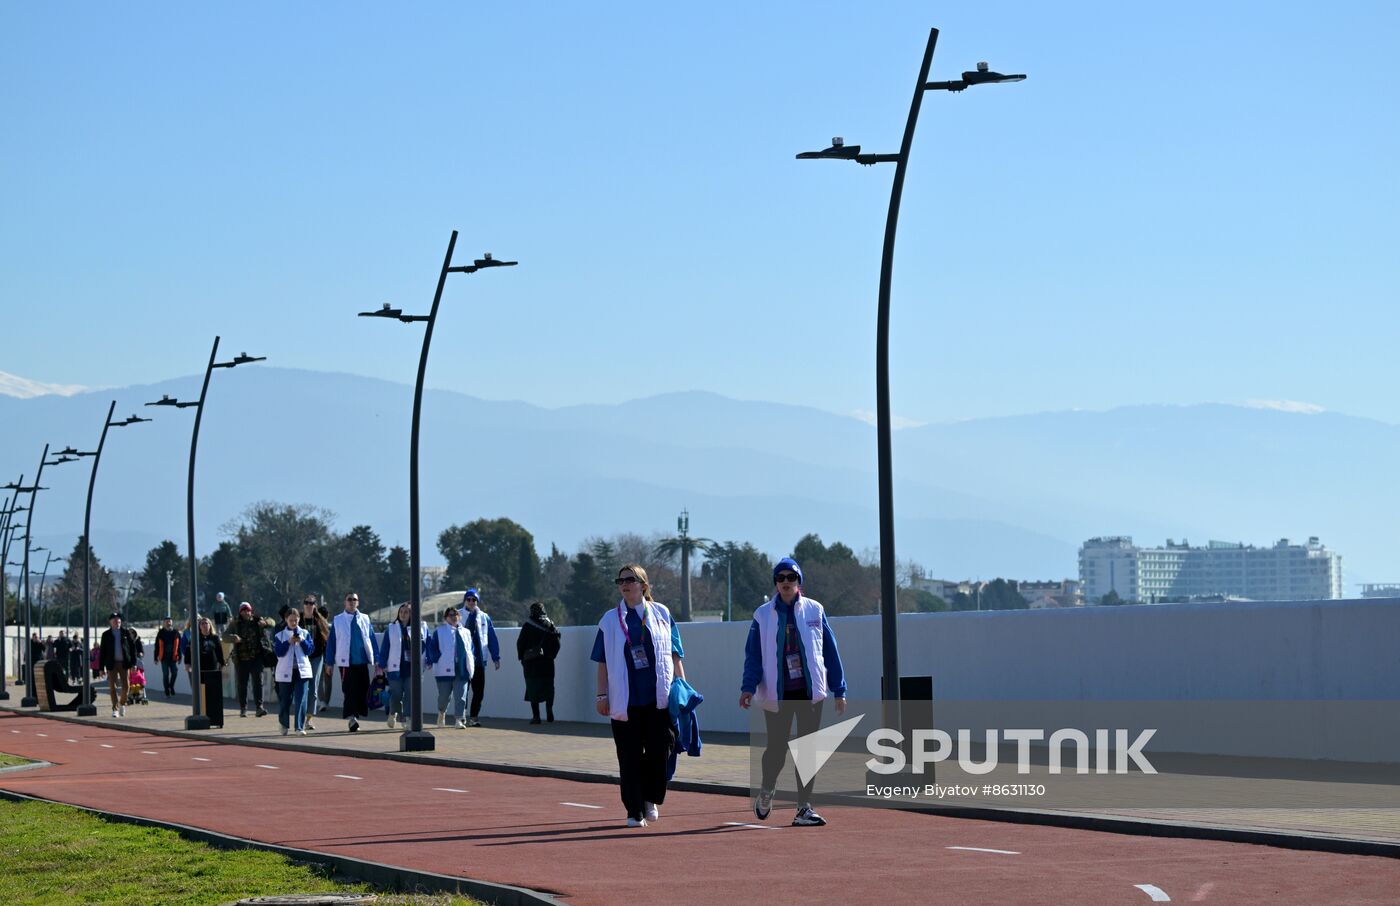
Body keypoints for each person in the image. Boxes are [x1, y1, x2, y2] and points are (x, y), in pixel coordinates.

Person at [739, 557, 848, 828]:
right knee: (777, 749)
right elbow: (753, 655)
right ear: (775, 583)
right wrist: (747, 688)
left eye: (792, 577)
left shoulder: (815, 610)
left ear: (799, 582)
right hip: (777, 693)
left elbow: (830, 652)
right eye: (781, 578)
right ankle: (767, 789)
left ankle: (804, 807)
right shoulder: (762, 614)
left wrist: (839, 688)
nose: (786, 582)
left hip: (810, 693)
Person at [591, 564, 686, 828]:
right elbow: (601, 661)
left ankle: (649, 796)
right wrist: (601, 695)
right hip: (625, 701)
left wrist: (683, 687)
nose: (624, 584)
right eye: (620, 580)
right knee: (629, 757)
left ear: (643, 585)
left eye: (630, 579)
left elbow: (675, 653)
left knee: (661, 750)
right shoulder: (610, 620)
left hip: (659, 699)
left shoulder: (661, 613)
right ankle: (634, 811)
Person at [324, 591, 376, 732]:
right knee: (349, 690)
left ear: (358, 602)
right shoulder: (338, 620)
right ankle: (352, 718)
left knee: (363, 689)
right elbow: (332, 643)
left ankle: (357, 714)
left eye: (354, 599)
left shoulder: (365, 618)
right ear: (345, 602)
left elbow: (371, 638)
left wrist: (377, 659)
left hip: (362, 661)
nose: (352, 601)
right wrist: (329, 662)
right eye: (349, 599)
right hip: (346, 662)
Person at [375, 602, 425, 729]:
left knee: (409, 694)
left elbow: (423, 646)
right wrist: (382, 664)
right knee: (396, 694)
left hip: (411, 668)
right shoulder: (391, 628)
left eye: (406, 612)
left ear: (411, 614)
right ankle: (393, 713)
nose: (403, 614)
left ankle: (408, 718)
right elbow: (385, 647)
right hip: (394, 668)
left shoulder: (417, 628)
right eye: (401, 612)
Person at [425, 605, 474, 728]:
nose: (454, 617)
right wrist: (436, 658)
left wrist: (472, 662)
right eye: (451, 615)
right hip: (444, 669)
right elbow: (432, 648)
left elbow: (471, 649)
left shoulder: (466, 632)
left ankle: (459, 719)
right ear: (446, 618)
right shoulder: (439, 631)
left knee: (461, 696)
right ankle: (441, 713)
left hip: (461, 668)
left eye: (456, 614)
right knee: (444, 697)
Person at [224, 602, 272, 718]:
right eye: (244, 610)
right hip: (241, 659)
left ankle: (259, 707)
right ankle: (243, 709)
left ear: (251, 611)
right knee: (242, 685)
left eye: (248, 610)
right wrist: (233, 638)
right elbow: (225, 636)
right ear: (240, 612)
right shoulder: (235, 623)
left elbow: (272, 622)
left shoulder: (257, 620)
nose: (246, 612)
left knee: (258, 683)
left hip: (257, 658)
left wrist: (265, 622)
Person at [460, 589, 500, 727]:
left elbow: (491, 637)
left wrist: (496, 657)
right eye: (469, 599)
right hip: (464, 659)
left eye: (474, 600)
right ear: (465, 600)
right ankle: (461, 716)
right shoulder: (458, 615)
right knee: (463, 689)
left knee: (479, 691)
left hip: (479, 659)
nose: (471, 602)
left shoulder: (484, 617)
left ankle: (474, 717)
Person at [273, 606, 315, 736]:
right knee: (285, 699)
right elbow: (279, 653)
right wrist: (288, 642)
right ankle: (284, 723)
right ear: (286, 620)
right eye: (291, 620)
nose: (293, 623)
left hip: (302, 671)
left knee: (301, 699)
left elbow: (310, 650)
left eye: (296, 620)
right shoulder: (279, 635)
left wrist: (301, 641)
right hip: (285, 672)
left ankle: (299, 727)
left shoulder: (305, 633)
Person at [518, 601, 561, 724]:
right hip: (547, 663)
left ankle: (536, 717)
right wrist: (551, 656)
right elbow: (557, 643)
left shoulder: (527, 625)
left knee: (533, 689)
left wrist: (522, 658)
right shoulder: (551, 625)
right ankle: (549, 709)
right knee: (548, 688)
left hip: (531, 664)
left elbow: (520, 643)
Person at [184, 615, 227, 728]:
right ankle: (201, 715)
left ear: (210, 625)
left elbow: (219, 652)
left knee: (212, 694)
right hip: (199, 670)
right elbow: (188, 652)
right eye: (202, 623)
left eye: (206, 623)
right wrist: (187, 664)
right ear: (199, 626)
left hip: (212, 670)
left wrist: (222, 664)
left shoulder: (215, 638)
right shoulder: (195, 638)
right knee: (200, 694)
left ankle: (214, 719)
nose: (204, 625)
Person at [98, 612, 140, 717]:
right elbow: (102, 652)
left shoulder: (126, 633)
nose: (117, 622)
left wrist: (134, 663)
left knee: (126, 686)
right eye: (115, 621)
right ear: (110, 622)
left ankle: (122, 704)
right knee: (112, 686)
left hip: (124, 663)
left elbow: (132, 649)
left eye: (119, 621)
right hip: (111, 664)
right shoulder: (106, 635)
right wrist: (101, 667)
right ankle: (115, 708)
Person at [300, 595, 329, 729]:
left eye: (311, 603)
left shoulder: (319, 621)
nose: (308, 605)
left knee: (313, 688)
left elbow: (326, 641)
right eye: (306, 603)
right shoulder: (298, 619)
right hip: (301, 658)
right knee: (301, 687)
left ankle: (309, 718)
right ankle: (300, 716)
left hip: (316, 657)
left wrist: (328, 661)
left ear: (315, 605)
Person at [154, 617, 182, 698]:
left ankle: (171, 686)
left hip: (173, 656)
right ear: (164, 623)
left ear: (172, 623)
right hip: (164, 657)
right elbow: (157, 646)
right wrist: (155, 657)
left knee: (175, 672)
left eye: (169, 621)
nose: (168, 623)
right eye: (167, 622)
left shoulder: (176, 632)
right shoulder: (161, 632)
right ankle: (167, 691)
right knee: (165, 674)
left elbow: (179, 646)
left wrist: (180, 657)